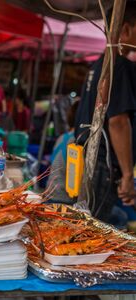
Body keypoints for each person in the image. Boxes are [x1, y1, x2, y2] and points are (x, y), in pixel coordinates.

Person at [75, 2, 136, 224]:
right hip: (102, 167)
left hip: (89, 163)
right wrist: (128, 175)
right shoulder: (117, 66)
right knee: (92, 231)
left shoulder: (99, 65)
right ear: (126, 30)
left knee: (87, 225)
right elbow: (118, 122)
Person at [48, 101, 79, 204]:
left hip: (49, 195)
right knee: (120, 217)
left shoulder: (62, 138)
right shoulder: (77, 140)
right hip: (64, 200)